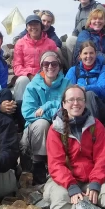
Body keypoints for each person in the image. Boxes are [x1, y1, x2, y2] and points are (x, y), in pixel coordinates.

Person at [21, 51, 69, 185]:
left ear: (59, 66)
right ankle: (38, 164)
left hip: (60, 124)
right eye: (46, 64)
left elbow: (69, 108)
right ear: (41, 66)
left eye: (54, 63)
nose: (50, 67)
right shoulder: (32, 86)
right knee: (42, 123)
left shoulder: (67, 84)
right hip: (35, 129)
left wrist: (48, 110)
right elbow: (28, 112)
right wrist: (55, 113)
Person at [12, 14, 59, 103]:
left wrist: (42, 76)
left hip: (45, 75)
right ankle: (20, 110)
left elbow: (56, 64)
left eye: (36, 24)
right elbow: (17, 66)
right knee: (22, 80)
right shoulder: (20, 43)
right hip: (27, 77)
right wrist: (29, 75)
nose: (33, 27)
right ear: (26, 28)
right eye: (30, 25)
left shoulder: (51, 43)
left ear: (41, 26)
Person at [65, 41, 105, 123]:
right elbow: (66, 90)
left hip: (99, 106)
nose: (88, 56)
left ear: (95, 54)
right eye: (85, 53)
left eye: (91, 53)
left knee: (89, 94)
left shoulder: (103, 69)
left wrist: (84, 89)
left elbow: (104, 90)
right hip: (77, 105)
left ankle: (91, 128)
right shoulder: (73, 70)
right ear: (80, 55)